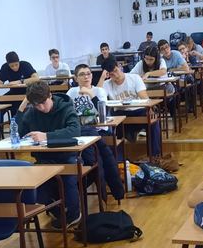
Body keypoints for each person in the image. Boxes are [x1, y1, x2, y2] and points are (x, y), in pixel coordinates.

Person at [16, 81, 81, 229]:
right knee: (34, 185)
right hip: (43, 158)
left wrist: (46, 136)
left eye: (43, 103)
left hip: (67, 157)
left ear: (50, 95)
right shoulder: (32, 112)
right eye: (36, 105)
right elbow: (18, 133)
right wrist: (22, 107)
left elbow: (75, 131)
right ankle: (58, 212)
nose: (41, 107)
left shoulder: (65, 107)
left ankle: (74, 215)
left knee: (67, 178)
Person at [67, 64, 124, 201]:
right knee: (94, 155)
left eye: (88, 74)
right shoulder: (71, 92)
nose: (86, 77)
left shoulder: (99, 91)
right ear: (76, 78)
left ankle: (103, 187)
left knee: (97, 154)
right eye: (82, 74)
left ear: (92, 76)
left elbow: (102, 114)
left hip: (100, 131)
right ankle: (98, 186)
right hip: (81, 134)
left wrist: (91, 95)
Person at [102, 56, 163, 158]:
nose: (115, 75)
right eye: (111, 74)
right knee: (111, 128)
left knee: (153, 122)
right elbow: (99, 97)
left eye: (116, 71)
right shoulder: (106, 84)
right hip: (120, 114)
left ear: (119, 66)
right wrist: (102, 77)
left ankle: (154, 156)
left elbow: (144, 97)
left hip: (138, 111)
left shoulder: (134, 78)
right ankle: (120, 160)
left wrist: (150, 109)